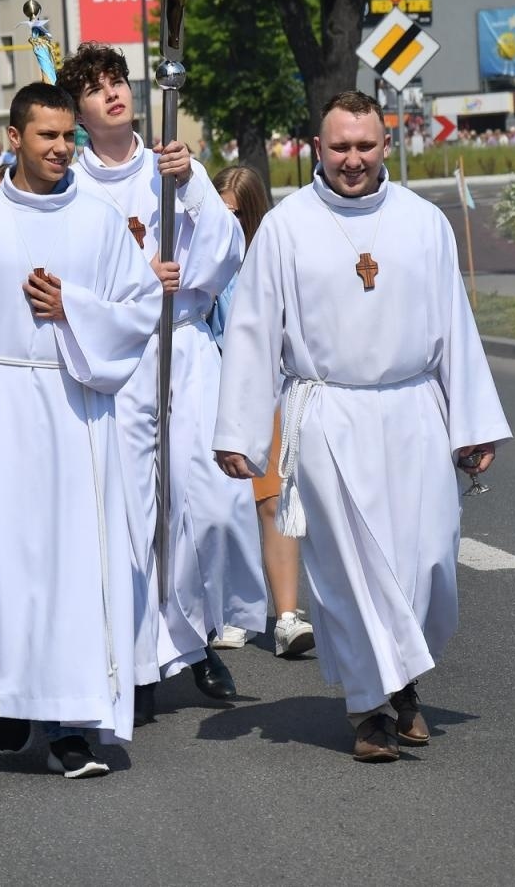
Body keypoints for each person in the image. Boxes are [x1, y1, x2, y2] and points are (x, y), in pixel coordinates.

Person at [213, 90, 512, 763]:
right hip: (328, 414)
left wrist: (473, 425)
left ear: (386, 144)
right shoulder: (287, 226)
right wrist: (239, 433)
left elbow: (454, 331)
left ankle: (402, 680)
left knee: (429, 560)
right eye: (340, 146)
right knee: (351, 570)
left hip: (414, 412)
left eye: (365, 145)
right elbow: (255, 332)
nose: (353, 159)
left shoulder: (422, 222)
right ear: (318, 149)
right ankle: (371, 710)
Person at [0, 83, 161, 778]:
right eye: (45, 136)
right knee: (11, 560)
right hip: (2, 403)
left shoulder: (100, 220)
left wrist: (70, 306)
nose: (59, 148)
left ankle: (69, 724)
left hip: (76, 407)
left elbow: (139, 307)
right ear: (13, 138)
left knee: (76, 566)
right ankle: (18, 696)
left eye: (67, 136)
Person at [57, 43, 263, 715]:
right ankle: (140, 663)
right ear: (79, 111)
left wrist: (195, 183)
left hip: (185, 351)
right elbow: (66, 279)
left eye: (118, 80)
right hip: (119, 361)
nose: (112, 93)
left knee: (206, 502)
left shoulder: (171, 165)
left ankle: (199, 639)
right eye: (95, 87)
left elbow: (225, 254)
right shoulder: (73, 187)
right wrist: (135, 294)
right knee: (134, 513)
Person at [210, 166, 315, 660]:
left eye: (235, 212)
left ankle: (288, 616)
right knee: (221, 510)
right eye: (220, 210)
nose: (226, 220)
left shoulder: (274, 256)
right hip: (214, 390)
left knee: (272, 502)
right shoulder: (209, 261)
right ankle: (231, 610)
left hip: (269, 390)